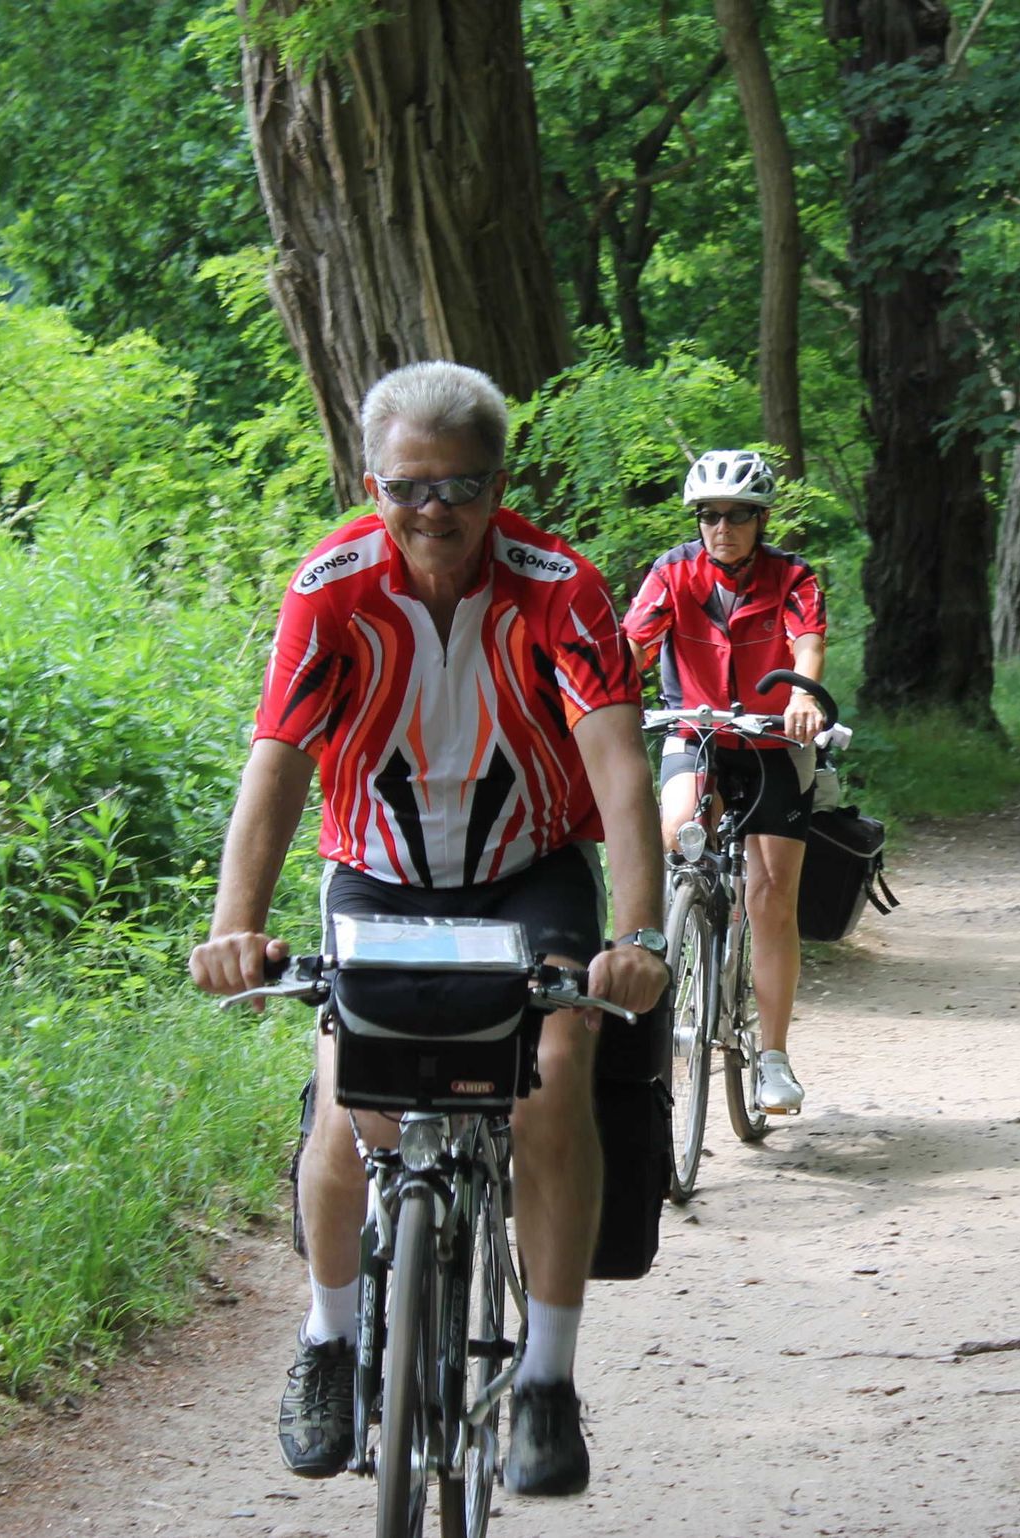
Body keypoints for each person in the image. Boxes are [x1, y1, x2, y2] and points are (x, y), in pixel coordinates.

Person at [188, 361, 671, 1498]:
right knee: (349, 1078)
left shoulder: (563, 587)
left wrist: (641, 932)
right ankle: (329, 1340)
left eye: (460, 484)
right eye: (408, 487)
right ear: (372, 484)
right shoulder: (333, 585)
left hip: (525, 872)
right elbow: (276, 772)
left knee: (556, 1062)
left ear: (499, 484)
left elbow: (620, 773)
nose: (434, 510)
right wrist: (232, 928)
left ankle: (546, 1384)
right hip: (380, 873)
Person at [623, 450, 827, 1116]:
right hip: (698, 733)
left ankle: (772, 1057)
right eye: (710, 516)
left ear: (760, 519)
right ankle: (681, 928)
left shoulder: (792, 576)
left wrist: (803, 696)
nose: (722, 528)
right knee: (674, 829)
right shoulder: (672, 572)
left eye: (737, 515)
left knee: (772, 894)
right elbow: (632, 645)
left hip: (774, 740)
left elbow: (808, 644)